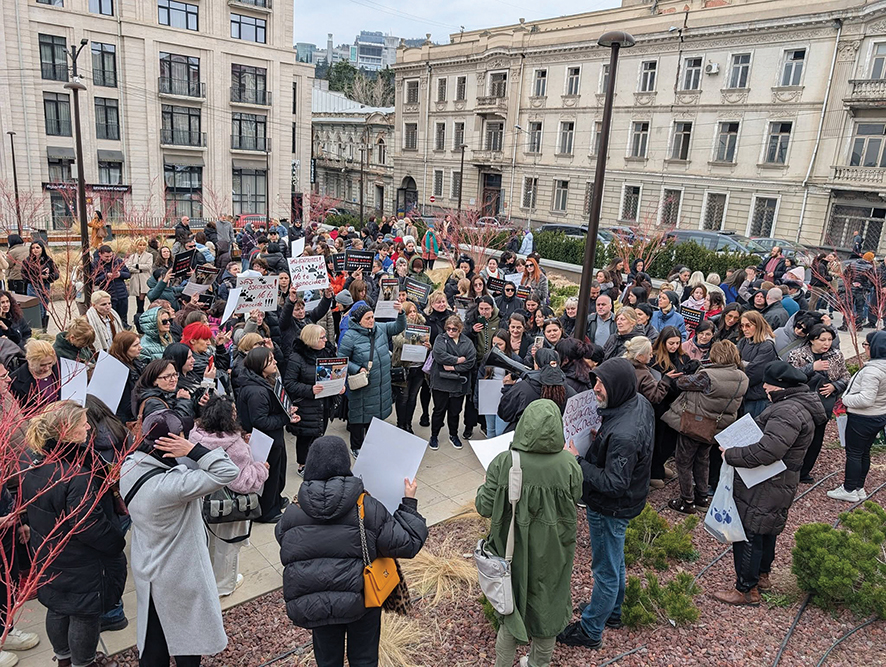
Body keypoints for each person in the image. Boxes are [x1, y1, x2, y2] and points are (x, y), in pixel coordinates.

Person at [275, 435, 427, 667]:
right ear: (345, 465)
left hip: (315, 602)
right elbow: (407, 542)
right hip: (362, 599)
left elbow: (283, 540)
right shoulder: (366, 505)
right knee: (364, 659)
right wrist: (408, 504)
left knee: (327, 661)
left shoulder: (293, 511)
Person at [121, 409, 238, 666]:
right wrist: (192, 449)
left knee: (155, 637)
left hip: (149, 564)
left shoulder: (129, 466)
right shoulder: (172, 487)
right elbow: (227, 471)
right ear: (173, 444)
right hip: (179, 572)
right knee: (188, 637)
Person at [476, 400, 582, 667]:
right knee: (549, 606)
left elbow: (483, 507)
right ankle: (537, 664)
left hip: (510, 552)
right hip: (554, 551)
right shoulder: (569, 465)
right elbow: (577, 497)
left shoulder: (503, 462)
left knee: (510, 609)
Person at [558, 357, 654, 649]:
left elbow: (614, 483)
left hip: (610, 507)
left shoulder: (623, 434)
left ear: (618, 386)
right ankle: (612, 611)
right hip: (627, 501)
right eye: (596, 381)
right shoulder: (638, 403)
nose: (596, 389)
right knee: (615, 560)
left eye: (602, 384)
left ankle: (590, 630)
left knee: (605, 570)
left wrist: (576, 460)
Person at [712, 361, 826, 605]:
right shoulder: (796, 405)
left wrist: (731, 454)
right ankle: (762, 576)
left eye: (768, 383)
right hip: (779, 480)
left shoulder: (786, 411)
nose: (763, 387)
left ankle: (746, 589)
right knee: (766, 528)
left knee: (750, 531)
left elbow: (768, 450)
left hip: (767, 480)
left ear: (781, 386)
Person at [23, 400, 127, 667]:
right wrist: (116, 541)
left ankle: (64, 659)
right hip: (82, 559)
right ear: (67, 430)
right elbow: (88, 524)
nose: (88, 428)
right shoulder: (76, 473)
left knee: (58, 607)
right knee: (84, 614)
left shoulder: (35, 462)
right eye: (83, 423)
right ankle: (84, 663)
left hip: (51, 552)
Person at [189, 395, 268, 597]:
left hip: (202, 499)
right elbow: (242, 482)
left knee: (208, 544)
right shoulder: (234, 445)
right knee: (228, 546)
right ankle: (224, 585)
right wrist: (261, 468)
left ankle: (206, 579)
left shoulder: (196, 434)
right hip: (229, 505)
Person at [662, 341, 748, 514]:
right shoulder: (742, 377)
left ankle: (687, 501)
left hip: (696, 424)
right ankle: (702, 497)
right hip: (717, 426)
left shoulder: (707, 376)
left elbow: (682, 383)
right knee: (703, 460)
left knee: (683, 462)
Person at [236, 347, 300, 522]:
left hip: (272, 437)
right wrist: (286, 418)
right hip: (265, 439)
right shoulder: (257, 391)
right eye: (271, 360)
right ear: (259, 365)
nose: (275, 362)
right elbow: (261, 421)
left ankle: (275, 501)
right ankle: (266, 511)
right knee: (269, 476)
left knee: (278, 472)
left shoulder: (263, 381)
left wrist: (286, 410)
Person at [337, 302, 406, 456]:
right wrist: (357, 368)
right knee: (359, 417)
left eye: (372, 317)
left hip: (381, 383)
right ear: (358, 320)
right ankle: (356, 447)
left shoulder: (380, 328)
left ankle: (373, 443)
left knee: (376, 416)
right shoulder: (350, 336)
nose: (371, 320)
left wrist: (401, 313)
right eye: (367, 318)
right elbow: (342, 360)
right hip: (363, 385)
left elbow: (397, 327)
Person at [827, 331, 886, 502]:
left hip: (863, 418)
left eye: (867, 345)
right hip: (878, 416)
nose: (865, 349)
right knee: (864, 453)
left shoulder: (872, 371)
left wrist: (845, 399)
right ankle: (859, 487)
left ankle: (849, 489)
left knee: (854, 453)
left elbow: (866, 399)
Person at [786, 324, 849, 483]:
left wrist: (836, 386)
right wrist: (811, 368)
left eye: (829, 339)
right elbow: (790, 377)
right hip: (801, 404)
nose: (826, 343)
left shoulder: (836, 355)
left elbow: (846, 376)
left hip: (823, 406)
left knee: (816, 439)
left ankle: (805, 472)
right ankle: (790, 470)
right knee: (796, 437)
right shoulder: (797, 354)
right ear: (812, 340)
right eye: (822, 340)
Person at [284, 324, 343, 476]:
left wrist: (339, 386)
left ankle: (316, 461)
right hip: (306, 405)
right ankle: (302, 464)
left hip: (324, 403)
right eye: (321, 338)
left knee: (319, 433)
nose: (326, 340)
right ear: (311, 340)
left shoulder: (328, 351)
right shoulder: (297, 357)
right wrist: (310, 390)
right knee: (305, 436)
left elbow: (336, 372)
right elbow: (289, 383)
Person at [429, 315, 476, 451]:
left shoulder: (467, 342)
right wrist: (458, 360)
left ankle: (453, 435)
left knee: (455, 411)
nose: (450, 332)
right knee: (439, 410)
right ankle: (434, 435)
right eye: (448, 329)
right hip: (441, 381)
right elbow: (438, 355)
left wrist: (453, 367)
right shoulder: (440, 339)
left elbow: (470, 362)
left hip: (458, 383)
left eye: (454, 329)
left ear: (460, 329)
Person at [498, 348, 575, 431]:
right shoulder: (569, 391)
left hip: (524, 439)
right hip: (555, 440)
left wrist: (508, 388)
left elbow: (504, 413)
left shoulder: (523, 388)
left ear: (537, 365)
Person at [737, 311, 779, 418]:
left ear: (758, 325)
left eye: (748, 326)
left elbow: (755, 372)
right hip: (744, 393)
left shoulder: (767, 346)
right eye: (742, 326)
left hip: (757, 396)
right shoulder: (743, 341)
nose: (744, 329)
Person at [108, 330, 145, 424]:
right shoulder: (118, 370)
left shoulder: (136, 363)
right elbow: (125, 403)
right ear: (124, 348)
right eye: (135, 345)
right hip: (126, 419)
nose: (140, 348)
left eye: (139, 344)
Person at [10, 339, 60, 407]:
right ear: (29, 360)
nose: (47, 368)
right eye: (42, 365)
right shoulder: (14, 380)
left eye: (50, 363)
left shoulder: (61, 368)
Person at [622, 336, 670, 407]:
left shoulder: (621, 365)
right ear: (639, 356)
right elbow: (655, 397)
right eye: (649, 354)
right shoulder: (644, 375)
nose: (651, 356)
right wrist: (666, 381)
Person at [22, 241, 59, 330]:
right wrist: (38, 277)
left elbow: (56, 274)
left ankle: (43, 329)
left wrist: (47, 277)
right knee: (38, 310)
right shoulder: (27, 261)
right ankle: (38, 329)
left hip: (45, 286)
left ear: (42, 249)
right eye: (33, 248)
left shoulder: (48, 260)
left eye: (37, 247)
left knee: (44, 308)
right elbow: (24, 276)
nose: (35, 250)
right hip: (33, 287)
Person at [93, 245, 131, 325]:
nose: (109, 258)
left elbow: (128, 274)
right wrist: (106, 276)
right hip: (108, 296)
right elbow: (94, 280)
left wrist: (120, 274)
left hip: (122, 295)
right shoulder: (96, 264)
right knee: (111, 320)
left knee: (123, 318)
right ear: (100, 254)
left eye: (110, 256)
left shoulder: (118, 261)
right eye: (106, 256)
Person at [84, 290, 125, 354]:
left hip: (115, 352)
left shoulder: (114, 316)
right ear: (94, 305)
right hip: (99, 355)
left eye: (109, 303)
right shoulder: (88, 320)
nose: (108, 307)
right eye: (103, 304)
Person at [126, 238, 154, 326]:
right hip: (135, 279)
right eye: (140, 245)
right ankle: (139, 317)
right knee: (138, 299)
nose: (141, 247)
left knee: (143, 297)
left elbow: (148, 266)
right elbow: (129, 267)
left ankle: (143, 316)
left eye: (143, 245)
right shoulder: (133, 256)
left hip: (145, 279)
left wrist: (137, 266)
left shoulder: (149, 255)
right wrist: (138, 270)